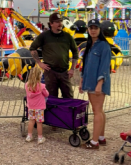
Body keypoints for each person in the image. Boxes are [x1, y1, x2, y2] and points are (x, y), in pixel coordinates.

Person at [80, 18, 113, 149]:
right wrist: (82, 80)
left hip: (97, 83)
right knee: (99, 110)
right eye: (91, 28)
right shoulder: (89, 45)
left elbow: (105, 66)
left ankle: (94, 142)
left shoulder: (104, 46)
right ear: (88, 30)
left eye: (95, 28)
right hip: (90, 82)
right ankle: (101, 137)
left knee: (97, 111)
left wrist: (100, 83)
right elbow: (86, 65)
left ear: (100, 30)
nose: (93, 30)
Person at [29, 13, 79, 99]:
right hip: (50, 72)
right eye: (57, 22)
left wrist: (72, 69)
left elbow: (75, 51)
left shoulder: (67, 37)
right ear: (51, 23)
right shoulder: (44, 36)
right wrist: (40, 63)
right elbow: (32, 48)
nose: (60, 24)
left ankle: (67, 109)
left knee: (69, 97)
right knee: (51, 98)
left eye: (61, 21)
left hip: (64, 72)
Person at [24, 66, 49, 144]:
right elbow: (46, 94)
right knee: (39, 122)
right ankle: (40, 138)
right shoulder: (42, 86)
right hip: (39, 107)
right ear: (39, 76)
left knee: (31, 121)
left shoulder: (27, 85)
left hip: (31, 107)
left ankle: (29, 136)